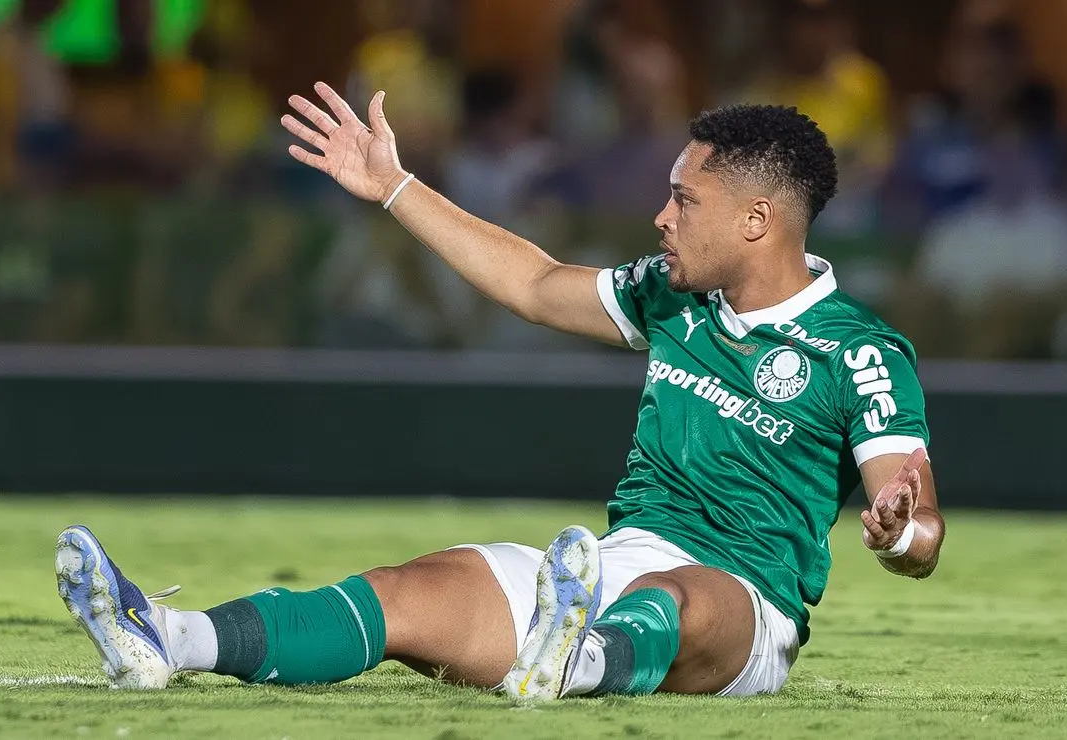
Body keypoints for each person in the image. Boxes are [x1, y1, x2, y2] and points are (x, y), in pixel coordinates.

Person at [54, 84, 944, 700]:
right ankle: (167, 641)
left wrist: (900, 529)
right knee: (409, 590)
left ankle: (579, 658)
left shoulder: (858, 352)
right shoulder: (677, 297)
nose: (662, 217)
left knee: (678, 603)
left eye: (685, 199)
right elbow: (535, 283)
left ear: (757, 221)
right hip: (604, 567)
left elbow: (922, 529)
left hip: (745, 606)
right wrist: (394, 187)